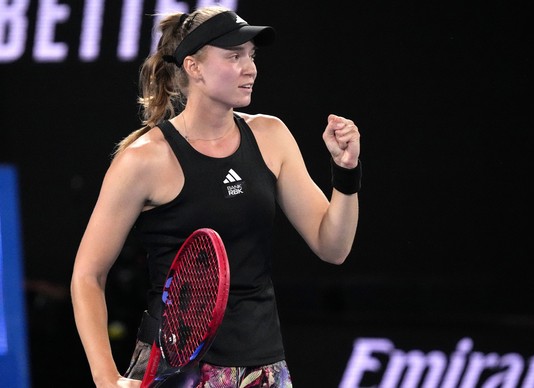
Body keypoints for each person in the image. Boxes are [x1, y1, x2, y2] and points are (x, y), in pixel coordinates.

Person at [70, 5, 361, 388]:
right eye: (234, 56)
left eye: (251, 56)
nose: (250, 67)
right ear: (194, 67)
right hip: (175, 372)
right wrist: (106, 378)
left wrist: (346, 172)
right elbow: (87, 276)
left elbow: (332, 246)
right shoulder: (143, 160)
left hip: (263, 369)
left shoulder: (271, 136)